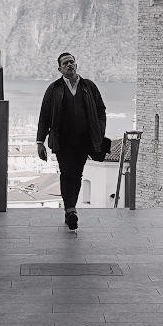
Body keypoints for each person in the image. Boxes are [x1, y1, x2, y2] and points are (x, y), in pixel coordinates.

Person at [36, 52, 108, 230]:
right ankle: (70, 210)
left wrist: (99, 131)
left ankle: (71, 209)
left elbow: (101, 109)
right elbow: (44, 116)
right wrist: (40, 142)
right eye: (65, 63)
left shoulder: (88, 86)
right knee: (68, 174)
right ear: (59, 68)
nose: (70, 65)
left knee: (77, 175)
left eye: (72, 62)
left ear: (76, 65)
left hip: (85, 141)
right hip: (63, 142)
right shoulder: (53, 89)